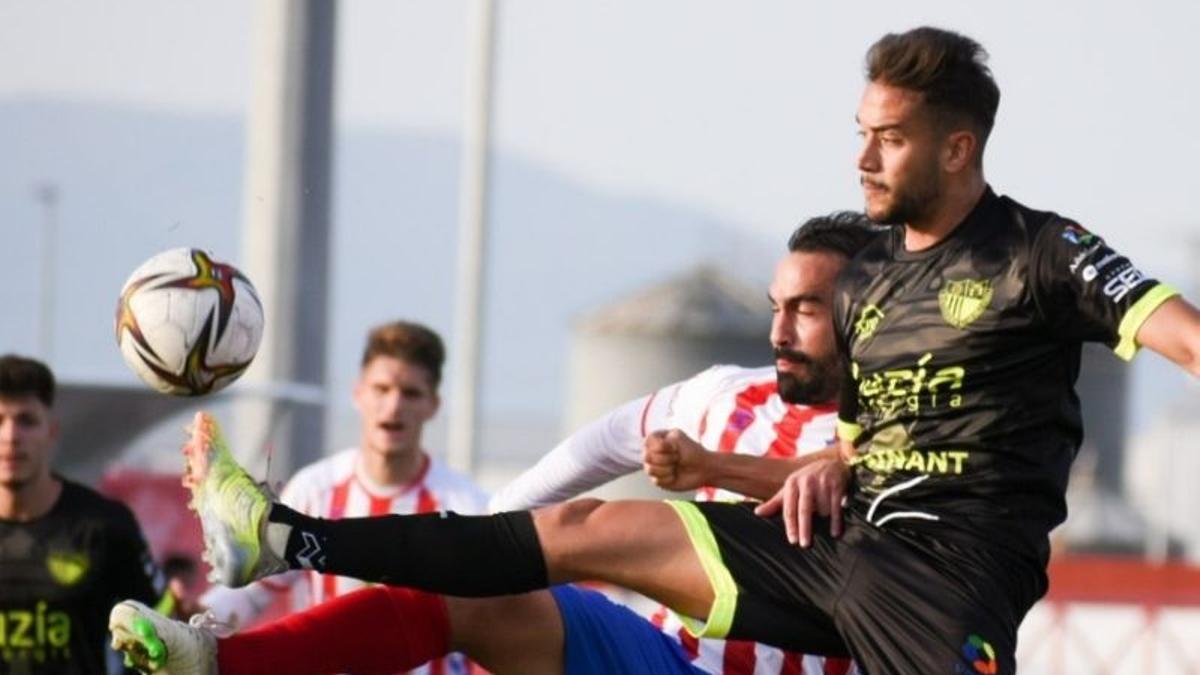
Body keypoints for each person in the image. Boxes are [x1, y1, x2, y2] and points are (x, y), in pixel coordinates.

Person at [122, 26, 1200, 674]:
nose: (863, 154)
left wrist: (766, 469)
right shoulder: (869, 279)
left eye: (892, 136)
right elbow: (869, 443)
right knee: (578, 530)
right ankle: (282, 537)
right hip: (834, 559)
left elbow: (1181, 337)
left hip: (943, 584)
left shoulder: (1040, 252)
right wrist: (824, 462)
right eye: (860, 130)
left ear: (958, 146)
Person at [107, 214, 876, 675]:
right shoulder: (725, 392)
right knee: (470, 590)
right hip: (668, 658)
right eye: (777, 305)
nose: (779, 329)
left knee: (587, 530)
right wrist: (493, 545)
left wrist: (723, 469)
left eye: (806, 310)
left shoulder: (913, 431)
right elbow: (610, 436)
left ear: (868, 312)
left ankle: (282, 538)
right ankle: (216, 661)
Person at [198, 320, 488, 674]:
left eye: (410, 393)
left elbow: (496, 619)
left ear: (433, 405)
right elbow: (254, 591)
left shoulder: (464, 504)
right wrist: (194, 617)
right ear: (358, 393)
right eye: (381, 389)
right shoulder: (313, 490)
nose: (394, 406)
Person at [0, 354, 164, 674]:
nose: (11, 437)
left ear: (52, 431)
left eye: (26, 421)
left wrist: (181, 618)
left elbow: (159, 636)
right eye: (0, 421)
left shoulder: (106, 526)